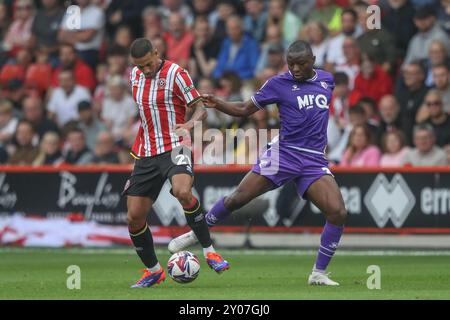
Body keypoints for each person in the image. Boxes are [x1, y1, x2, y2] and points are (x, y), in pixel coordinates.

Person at [169, 40, 347, 286]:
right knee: (238, 198)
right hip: (283, 153)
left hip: (313, 160)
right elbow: (244, 109)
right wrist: (218, 102)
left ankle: (318, 273)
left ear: (313, 61)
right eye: (291, 64)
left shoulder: (327, 80)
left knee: (337, 212)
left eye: (301, 64)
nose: (295, 69)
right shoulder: (278, 83)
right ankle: (197, 233)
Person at [124, 38, 229, 288]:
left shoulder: (176, 73)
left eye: (149, 64)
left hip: (176, 145)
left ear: (156, 53)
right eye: (140, 66)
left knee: (183, 192)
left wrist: (190, 125)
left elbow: (200, 108)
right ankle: (153, 271)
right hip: (146, 152)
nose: (146, 70)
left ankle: (210, 251)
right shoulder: (135, 76)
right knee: (134, 218)